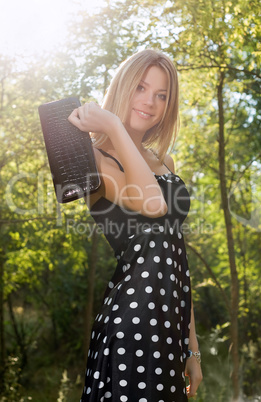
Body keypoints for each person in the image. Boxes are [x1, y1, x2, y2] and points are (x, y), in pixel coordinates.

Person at [68, 48, 203, 402]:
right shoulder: (94, 160)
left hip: (170, 330)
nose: (151, 102)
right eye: (141, 88)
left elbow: (177, 258)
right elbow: (153, 203)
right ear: (123, 86)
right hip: (133, 324)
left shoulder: (164, 160)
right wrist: (112, 124)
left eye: (162, 95)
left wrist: (192, 348)